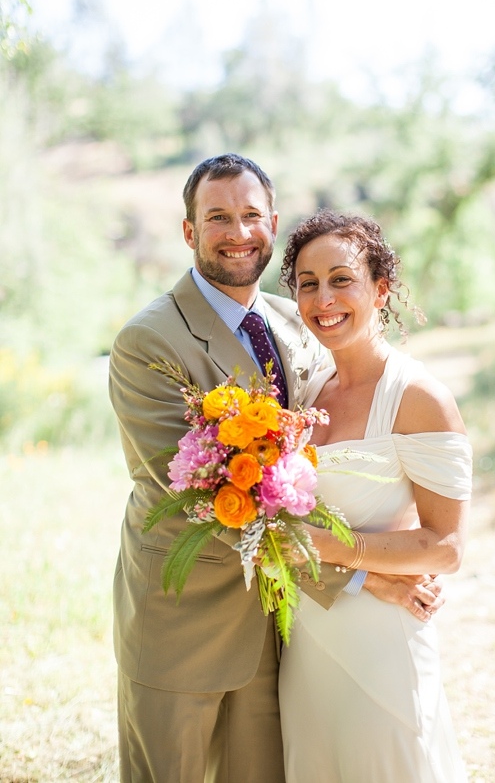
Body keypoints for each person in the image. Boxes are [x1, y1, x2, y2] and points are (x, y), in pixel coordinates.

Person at [109, 154, 445, 783]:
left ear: (273, 224)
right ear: (189, 232)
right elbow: (196, 497)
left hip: (285, 637)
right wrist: (362, 575)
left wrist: (399, 533)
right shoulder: (148, 341)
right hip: (187, 630)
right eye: (217, 218)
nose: (237, 232)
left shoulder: (297, 319)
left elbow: (343, 435)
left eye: (250, 216)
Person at [278, 209, 472, 783]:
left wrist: (338, 551)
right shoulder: (307, 389)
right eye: (307, 284)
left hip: (384, 641)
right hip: (309, 633)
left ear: (380, 289)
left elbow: (446, 549)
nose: (323, 298)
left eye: (342, 279)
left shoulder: (420, 398)